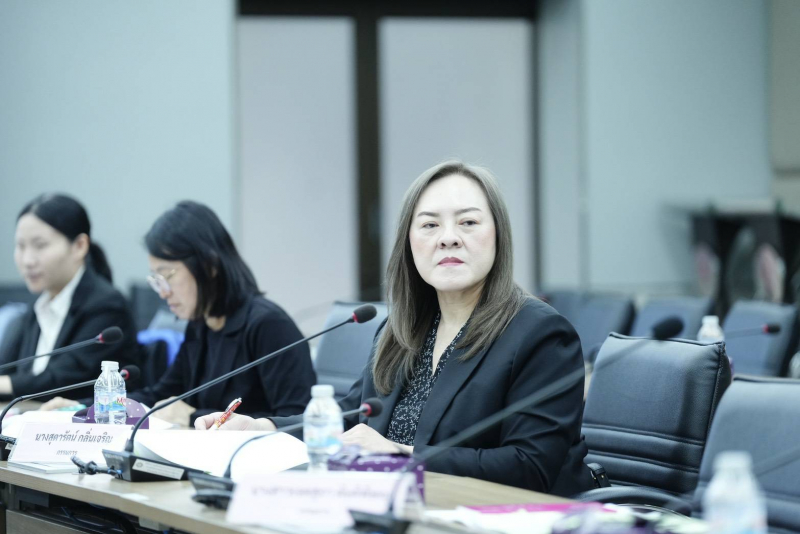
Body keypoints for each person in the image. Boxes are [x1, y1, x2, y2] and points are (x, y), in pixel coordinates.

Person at [196, 161, 593, 495]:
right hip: (396, 511)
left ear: (498, 236)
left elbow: (529, 466)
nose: (448, 239)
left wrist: (401, 454)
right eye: (430, 225)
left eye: (469, 222)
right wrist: (262, 428)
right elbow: (353, 420)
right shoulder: (402, 329)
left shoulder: (540, 334)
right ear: (409, 243)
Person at [51, 200, 315, 427]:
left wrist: (192, 417)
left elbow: (298, 420)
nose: (163, 292)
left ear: (209, 265)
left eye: (167, 276)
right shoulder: (200, 326)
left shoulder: (269, 325)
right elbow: (161, 396)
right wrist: (87, 406)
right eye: (156, 280)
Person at [0, 194, 140, 401]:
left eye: (40, 245)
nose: (27, 260)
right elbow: (10, 371)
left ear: (79, 246)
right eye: (20, 246)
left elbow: (65, 380)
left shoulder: (107, 306)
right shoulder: (35, 310)